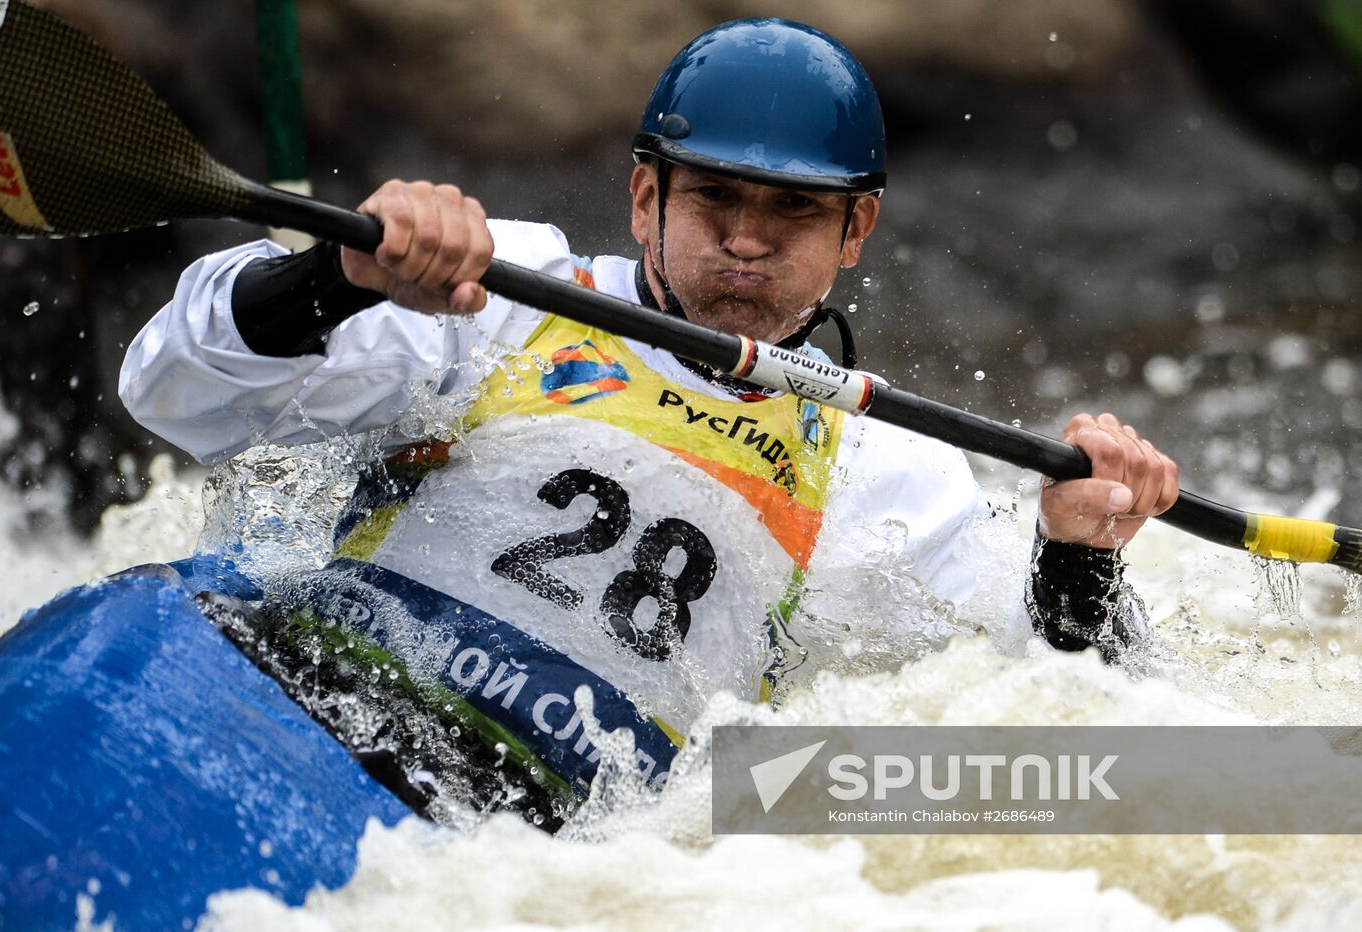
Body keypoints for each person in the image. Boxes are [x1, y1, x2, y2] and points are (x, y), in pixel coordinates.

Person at [119, 19, 1177, 810]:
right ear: (643, 199)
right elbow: (172, 390)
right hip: (315, 701)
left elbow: (1065, 725)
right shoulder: (501, 291)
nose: (748, 241)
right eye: (715, 198)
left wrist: (1077, 551)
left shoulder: (887, 466)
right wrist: (336, 280)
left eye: (794, 211)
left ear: (854, 230)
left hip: (539, 833)